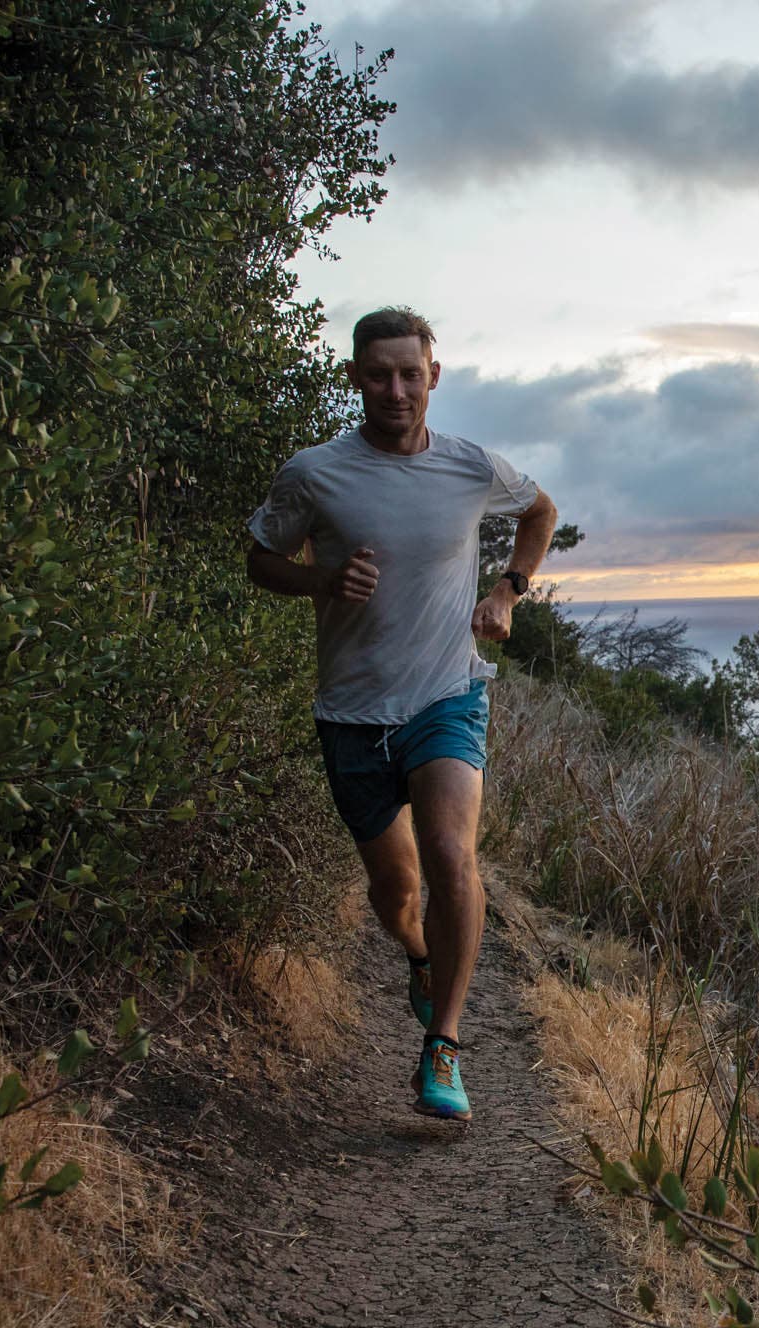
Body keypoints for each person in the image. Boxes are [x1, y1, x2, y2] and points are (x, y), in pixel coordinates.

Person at [245, 307, 558, 1120]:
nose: (395, 389)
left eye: (410, 373)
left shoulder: (469, 467)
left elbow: (540, 513)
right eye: (378, 373)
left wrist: (507, 592)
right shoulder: (315, 473)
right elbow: (260, 559)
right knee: (395, 891)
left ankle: (444, 1047)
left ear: (433, 377)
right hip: (353, 712)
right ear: (355, 377)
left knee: (452, 855)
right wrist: (320, 581)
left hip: (447, 696)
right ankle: (419, 956)